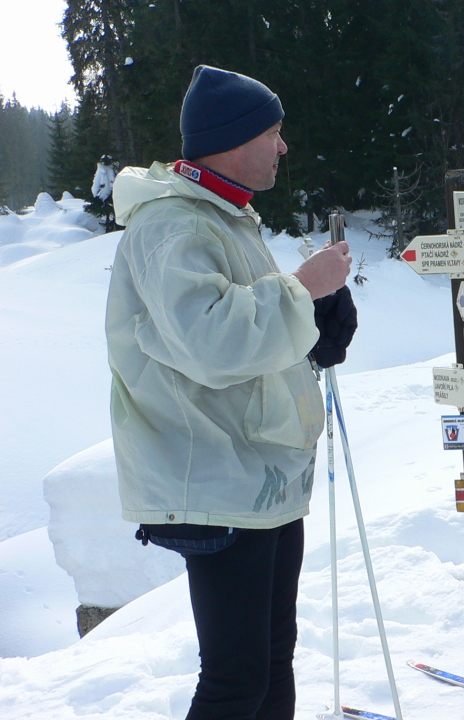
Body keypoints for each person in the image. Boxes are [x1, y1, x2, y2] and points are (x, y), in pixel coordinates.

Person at [105, 65, 356, 720]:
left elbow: (243, 338)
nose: (283, 147)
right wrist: (303, 290)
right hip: (215, 476)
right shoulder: (175, 226)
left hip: (256, 476)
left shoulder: (223, 216)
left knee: (269, 663)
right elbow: (212, 343)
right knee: (236, 681)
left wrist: (312, 331)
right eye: (272, 133)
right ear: (230, 139)